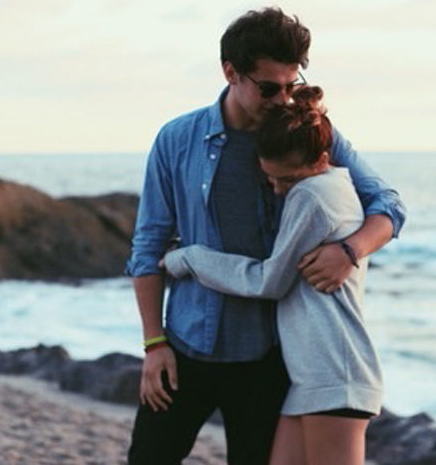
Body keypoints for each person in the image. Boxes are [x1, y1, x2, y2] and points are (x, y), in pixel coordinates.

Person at [125, 6, 405, 465]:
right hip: (187, 344)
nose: (282, 99)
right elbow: (147, 246)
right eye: (269, 88)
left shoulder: (309, 135)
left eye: (291, 85)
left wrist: (349, 251)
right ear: (230, 72)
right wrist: (154, 344)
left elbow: (388, 205)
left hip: (268, 359)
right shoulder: (177, 140)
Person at [163, 85, 383, 465]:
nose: (280, 191)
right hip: (308, 374)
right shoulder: (327, 185)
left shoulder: (312, 195)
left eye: (289, 179)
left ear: (322, 160)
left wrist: (190, 258)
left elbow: (268, 281)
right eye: (272, 179)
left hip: (335, 371)